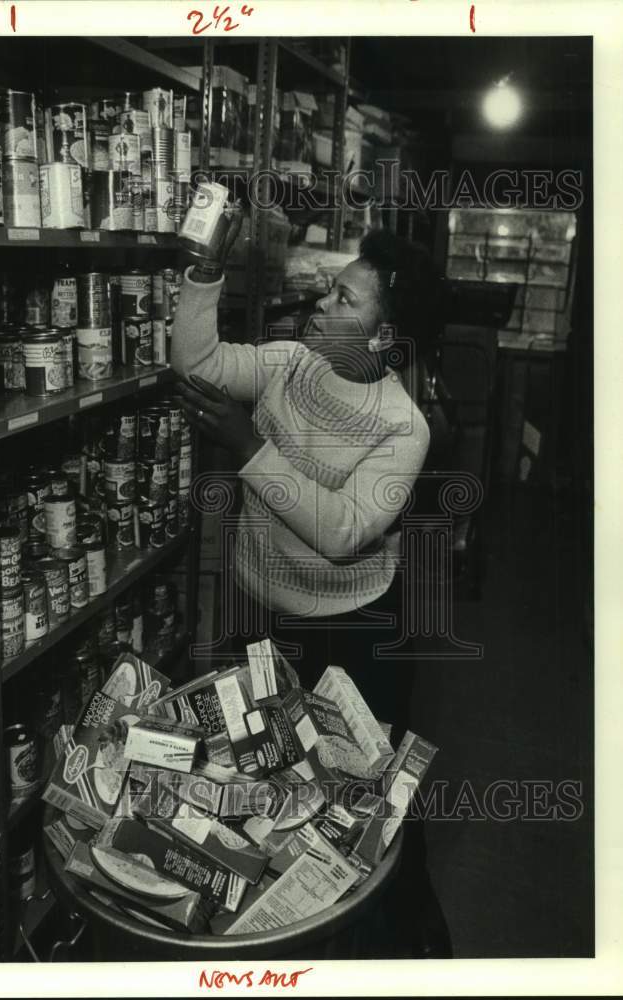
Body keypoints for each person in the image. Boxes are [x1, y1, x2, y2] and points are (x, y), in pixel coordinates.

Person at [171, 212, 452, 958]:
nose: (322, 303)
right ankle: (280, 938)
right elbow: (196, 361)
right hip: (263, 611)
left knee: (368, 798)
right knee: (268, 786)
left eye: (345, 299)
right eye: (327, 289)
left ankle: (402, 946)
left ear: (383, 337)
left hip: (353, 631)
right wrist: (203, 272)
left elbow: (337, 534)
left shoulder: (402, 427)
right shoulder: (291, 361)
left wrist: (246, 446)